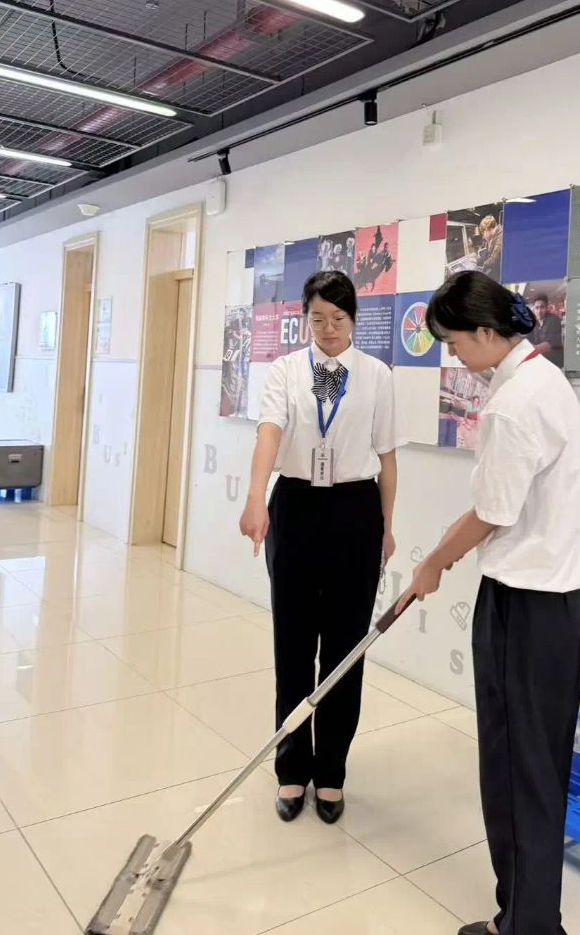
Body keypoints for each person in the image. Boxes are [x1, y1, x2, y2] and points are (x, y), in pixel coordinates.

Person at [398, 271, 580, 935]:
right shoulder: (543, 380)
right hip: (562, 604)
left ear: (489, 333)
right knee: (540, 768)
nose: (453, 355)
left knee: (516, 769)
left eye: (455, 342)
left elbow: (494, 512)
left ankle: (523, 926)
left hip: (526, 607)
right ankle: (529, 918)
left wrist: (433, 562)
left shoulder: (514, 403)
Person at [239, 270, 397, 825]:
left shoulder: (376, 375)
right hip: (297, 506)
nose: (328, 329)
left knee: (345, 651)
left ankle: (331, 771)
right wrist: (256, 497)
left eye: (339, 318)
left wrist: (387, 526)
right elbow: (269, 431)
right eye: (318, 318)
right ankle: (291, 768)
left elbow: (388, 457)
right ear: (305, 317)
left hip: (356, 510)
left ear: (354, 319)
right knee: (293, 645)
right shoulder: (285, 370)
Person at [524, 287, 564, 370]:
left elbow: (548, 345)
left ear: (547, 308)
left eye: (542, 307)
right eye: (537, 308)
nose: (539, 311)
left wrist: (530, 349)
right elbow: (527, 339)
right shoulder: (535, 324)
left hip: (554, 363)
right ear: (534, 309)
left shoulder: (553, 320)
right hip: (541, 362)